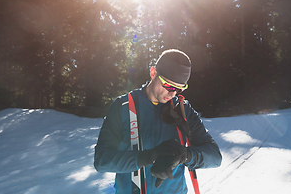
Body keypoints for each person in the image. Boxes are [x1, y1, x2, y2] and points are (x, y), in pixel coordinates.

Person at [94, 49, 222, 194]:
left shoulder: (182, 109)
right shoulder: (123, 106)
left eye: (179, 88)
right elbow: (102, 160)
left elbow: (215, 157)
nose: (172, 93)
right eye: (168, 85)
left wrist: (184, 155)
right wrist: (148, 156)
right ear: (153, 72)